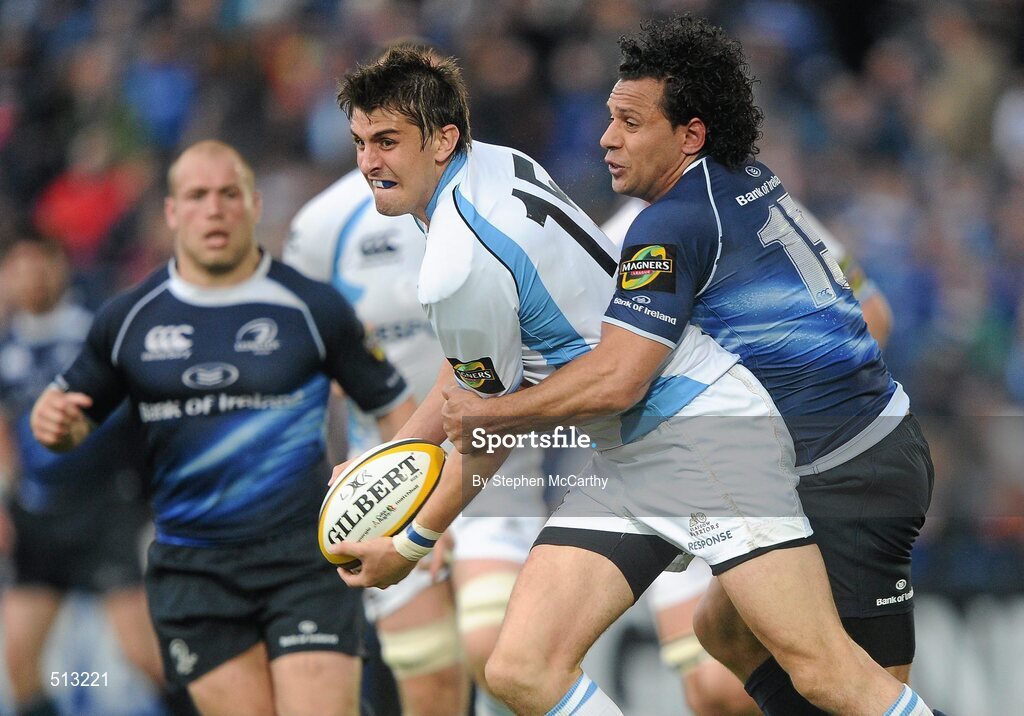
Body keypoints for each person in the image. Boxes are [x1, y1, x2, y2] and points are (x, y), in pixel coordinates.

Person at [327, 44, 936, 716]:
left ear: (443, 140)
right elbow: (480, 380)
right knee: (524, 666)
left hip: (706, 439)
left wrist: (410, 542)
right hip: (632, 451)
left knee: (826, 676)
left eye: (387, 141)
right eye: (359, 143)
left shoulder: (458, 262)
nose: (368, 163)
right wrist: (391, 459)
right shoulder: (493, 164)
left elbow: (489, 426)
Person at [29, 140, 415, 716]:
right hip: (194, 571)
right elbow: (69, 422)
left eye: (229, 194)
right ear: (171, 213)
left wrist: (413, 518)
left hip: (303, 563)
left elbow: (397, 411)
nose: (215, 209)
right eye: (198, 195)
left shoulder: (313, 307)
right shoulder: (128, 318)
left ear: (255, 205)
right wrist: (52, 423)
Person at [600, 197, 895, 715]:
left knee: (813, 675)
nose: (609, 141)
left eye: (629, 121)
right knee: (709, 688)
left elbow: (871, 313)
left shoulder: (760, 204)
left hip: (779, 472)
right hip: (679, 477)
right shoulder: (614, 239)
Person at [285, 165, 547, 716]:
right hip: (387, 483)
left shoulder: (493, 194)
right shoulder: (321, 225)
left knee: (495, 649)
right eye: (367, 136)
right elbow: (311, 354)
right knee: (427, 680)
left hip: (497, 466)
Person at [0, 237, 187, 716]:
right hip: (38, 518)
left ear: (60, 265)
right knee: (19, 661)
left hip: (105, 510)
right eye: (19, 267)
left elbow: (147, 412)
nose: (31, 277)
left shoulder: (97, 332)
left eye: (40, 264)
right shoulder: (5, 346)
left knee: (143, 656)